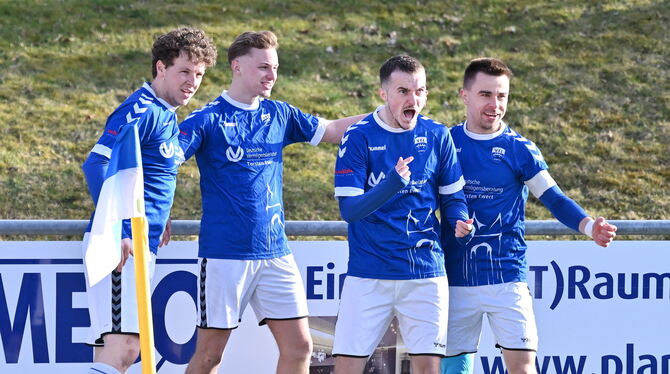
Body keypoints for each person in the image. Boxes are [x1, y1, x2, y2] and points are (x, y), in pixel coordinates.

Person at [178, 30, 366, 374]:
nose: (272, 75)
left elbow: (332, 130)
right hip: (225, 255)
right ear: (237, 66)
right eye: (264, 67)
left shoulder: (280, 113)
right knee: (209, 357)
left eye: (275, 68)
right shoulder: (207, 118)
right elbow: (166, 163)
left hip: (275, 253)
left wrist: (384, 114)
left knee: (300, 347)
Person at [439, 57, 617, 374]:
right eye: (485, 95)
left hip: (506, 278)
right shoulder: (445, 144)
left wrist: (589, 225)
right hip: (455, 278)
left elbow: (554, 197)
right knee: (453, 369)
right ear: (464, 95)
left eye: (501, 96)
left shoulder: (520, 148)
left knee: (522, 367)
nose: (495, 104)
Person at [81, 27, 217, 374]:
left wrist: (159, 215)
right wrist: (121, 228)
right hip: (122, 243)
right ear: (160, 68)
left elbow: (147, 174)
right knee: (124, 347)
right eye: (184, 71)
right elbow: (96, 162)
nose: (192, 82)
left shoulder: (165, 114)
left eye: (199, 74)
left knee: (116, 350)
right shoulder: (141, 109)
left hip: (140, 240)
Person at [331, 55, 474, 374]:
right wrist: (393, 183)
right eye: (404, 91)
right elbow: (350, 210)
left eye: (420, 91)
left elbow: (453, 198)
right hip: (370, 272)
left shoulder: (437, 135)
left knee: (428, 368)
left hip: (424, 273)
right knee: (347, 367)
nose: (414, 100)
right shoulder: (359, 135)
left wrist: (460, 219)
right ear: (383, 93)